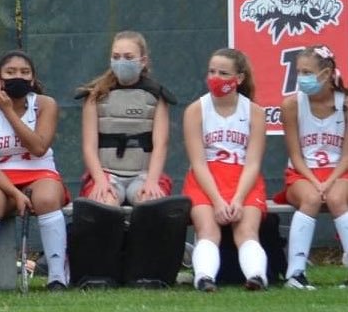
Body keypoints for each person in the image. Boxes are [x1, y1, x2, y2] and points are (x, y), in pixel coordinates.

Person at [0, 50, 69, 292]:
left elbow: (38, 147)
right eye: (11, 72)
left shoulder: (45, 105)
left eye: (25, 73)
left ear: (33, 79)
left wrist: (9, 113)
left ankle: (57, 278)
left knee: (46, 198)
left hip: (40, 171)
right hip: (1, 176)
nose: (18, 77)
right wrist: (14, 193)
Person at [184, 48, 268, 292]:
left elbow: (253, 162)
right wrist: (218, 201)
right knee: (208, 229)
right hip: (206, 179)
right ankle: (204, 278)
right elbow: (198, 163)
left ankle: (256, 276)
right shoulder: (196, 110)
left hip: (243, 179)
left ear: (238, 78)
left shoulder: (254, 112)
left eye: (223, 73)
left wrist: (238, 199)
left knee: (246, 230)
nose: (215, 78)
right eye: (211, 72)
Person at [79, 31, 176, 207]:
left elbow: (161, 143)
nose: (121, 62)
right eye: (116, 57)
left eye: (128, 57)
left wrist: (152, 182)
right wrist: (100, 181)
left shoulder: (157, 96)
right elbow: (89, 146)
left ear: (143, 61)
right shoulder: (94, 95)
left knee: (150, 204)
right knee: (104, 205)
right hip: (107, 174)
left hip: (144, 174)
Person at [279, 45, 348, 289]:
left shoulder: (345, 103)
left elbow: (346, 157)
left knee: (338, 197)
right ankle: (295, 274)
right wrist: (316, 182)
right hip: (302, 173)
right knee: (309, 198)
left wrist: (328, 182)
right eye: (300, 72)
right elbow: (296, 156)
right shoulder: (291, 105)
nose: (302, 79)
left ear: (327, 73)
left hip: (339, 173)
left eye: (308, 72)